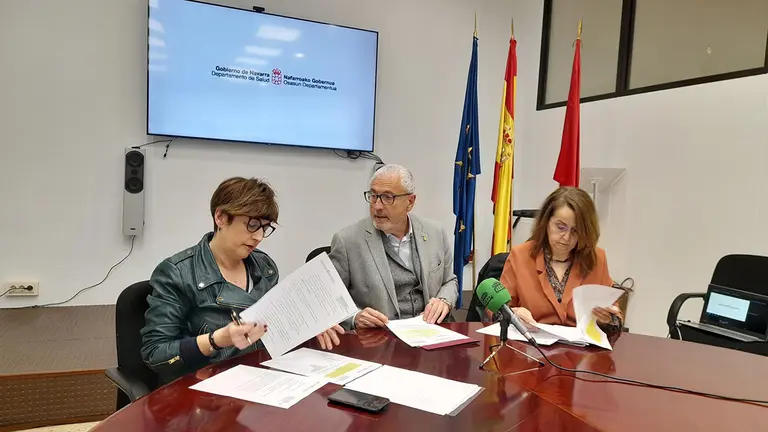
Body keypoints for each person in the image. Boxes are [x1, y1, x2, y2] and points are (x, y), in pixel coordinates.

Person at [141, 177, 343, 384]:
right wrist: (217, 339)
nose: (258, 237)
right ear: (220, 217)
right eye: (252, 225)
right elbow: (155, 354)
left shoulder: (265, 267)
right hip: (204, 390)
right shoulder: (177, 273)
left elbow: (272, 327)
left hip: (261, 378)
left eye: (265, 228)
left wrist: (309, 323)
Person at [316, 164, 458, 348]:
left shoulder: (434, 232)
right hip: (378, 344)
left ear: (410, 201)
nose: (377, 206)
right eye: (373, 196)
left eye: (387, 198)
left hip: (430, 338)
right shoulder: (348, 241)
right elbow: (327, 300)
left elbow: (450, 281)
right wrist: (355, 317)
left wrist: (444, 301)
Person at [498, 187, 622, 334]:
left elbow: (615, 317)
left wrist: (608, 318)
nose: (566, 237)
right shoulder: (520, 256)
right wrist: (514, 313)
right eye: (560, 227)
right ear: (546, 222)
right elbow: (497, 310)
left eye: (575, 231)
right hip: (532, 348)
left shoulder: (596, 258)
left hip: (582, 352)